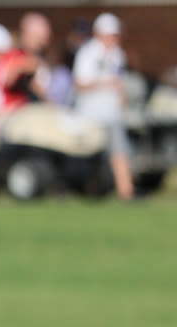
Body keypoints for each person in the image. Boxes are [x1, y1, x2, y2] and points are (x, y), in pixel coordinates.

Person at [74, 13, 133, 200]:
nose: (113, 39)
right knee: (87, 155)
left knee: (119, 152)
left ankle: (126, 192)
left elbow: (120, 83)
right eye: (110, 35)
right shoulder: (88, 53)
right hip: (89, 114)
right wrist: (105, 83)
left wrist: (122, 100)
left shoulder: (117, 55)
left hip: (111, 114)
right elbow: (80, 83)